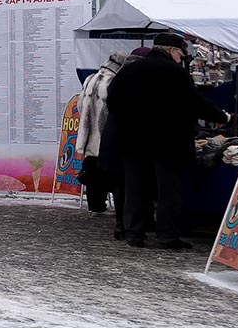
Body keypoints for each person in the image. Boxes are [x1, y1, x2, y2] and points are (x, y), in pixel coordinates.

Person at [106, 33, 230, 250]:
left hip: (132, 141)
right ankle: (167, 236)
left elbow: (112, 100)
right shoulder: (175, 72)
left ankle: (134, 233)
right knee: (167, 191)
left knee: (135, 189)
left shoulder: (129, 70)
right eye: (181, 54)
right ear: (172, 51)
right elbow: (195, 101)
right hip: (167, 143)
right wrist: (222, 117)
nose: (181, 58)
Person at [77, 51, 133, 232]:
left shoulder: (90, 79)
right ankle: (111, 207)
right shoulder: (113, 82)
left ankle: (96, 205)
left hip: (89, 131)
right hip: (106, 132)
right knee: (112, 171)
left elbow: (80, 104)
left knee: (92, 166)